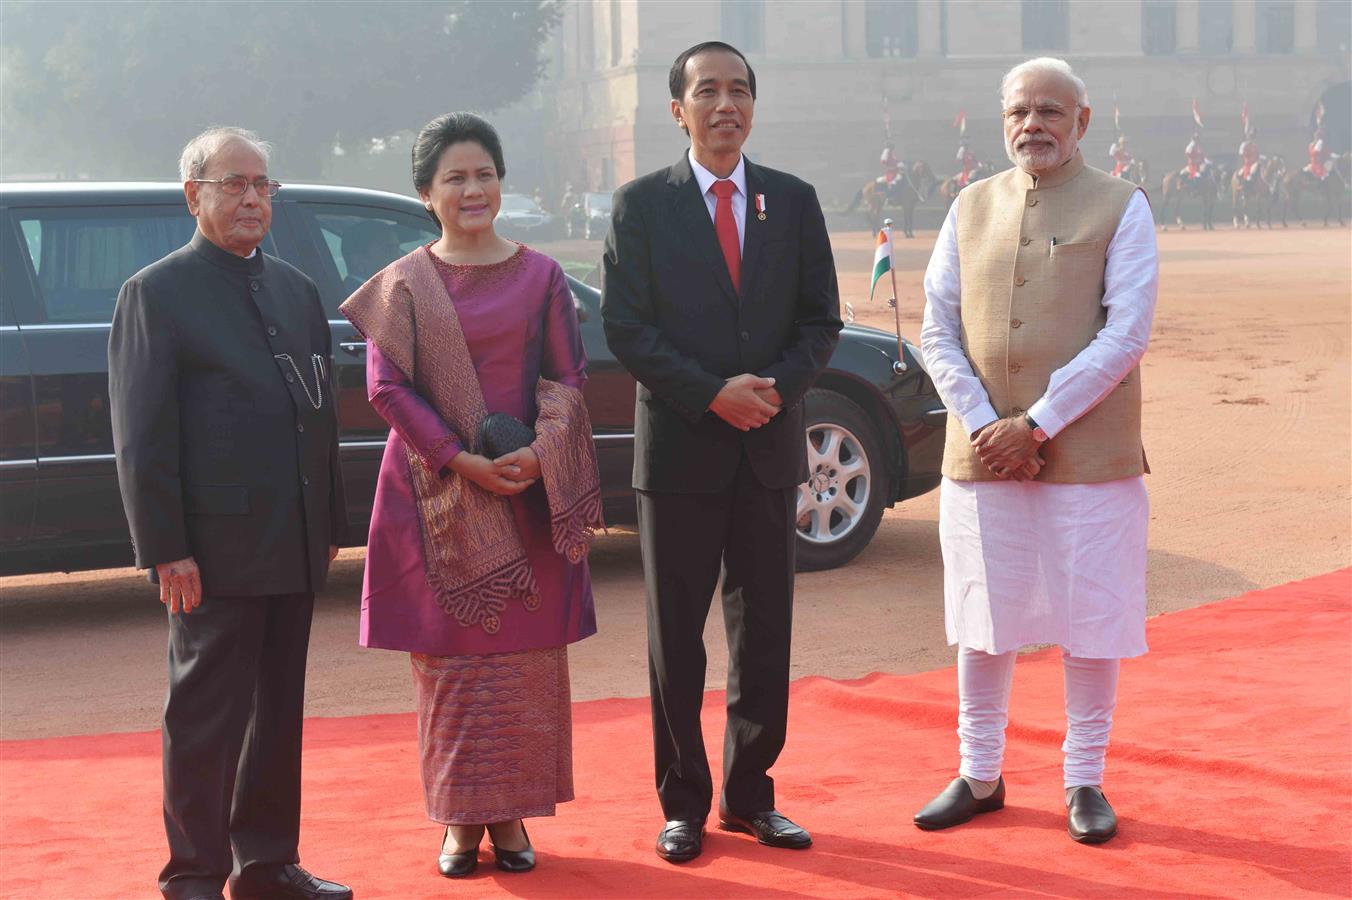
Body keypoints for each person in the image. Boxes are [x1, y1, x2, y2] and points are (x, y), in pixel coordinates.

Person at [338, 112, 602, 879]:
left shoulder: (542, 275)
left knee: (522, 663)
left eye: (483, 173)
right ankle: (458, 821)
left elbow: (568, 379)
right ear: (426, 193)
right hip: (433, 496)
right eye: (454, 177)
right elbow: (386, 389)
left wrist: (536, 453)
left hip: (525, 489)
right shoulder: (405, 286)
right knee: (450, 666)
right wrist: (460, 460)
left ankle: (512, 815)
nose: (472, 188)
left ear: (501, 182)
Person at [601, 40, 842, 864]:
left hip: (768, 450)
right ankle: (683, 803)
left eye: (739, 90)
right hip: (680, 456)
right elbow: (627, 329)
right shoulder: (641, 206)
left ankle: (750, 796)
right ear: (679, 109)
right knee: (678, 637)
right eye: (707, 91)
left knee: (764, 631)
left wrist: (767, 389)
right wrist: (710, 393)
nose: (725, 104)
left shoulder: (793, 201)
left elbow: (821, 323)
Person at [915, 57, 1158, 846]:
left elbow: (1126, 334)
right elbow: (936, 328)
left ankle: (1084, 777)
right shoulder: (968, 205)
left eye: (1051, 111)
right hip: (982, 455)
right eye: (1020, 111)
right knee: (985, 618)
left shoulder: (1122, 206)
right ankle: (979, 773)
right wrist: (989, 423)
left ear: (1083, 121)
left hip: (1087, 457)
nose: (1034, 125)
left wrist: (1038, 424)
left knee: (1091, 619)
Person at [108, 127, 351, 900]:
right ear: (194, 196)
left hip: (294, 539)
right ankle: (193, 876)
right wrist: (165, 547)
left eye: (262, 184)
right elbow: (142, 438)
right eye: (232, 183)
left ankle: (268, 864)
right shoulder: (157, 293)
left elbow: (320, 420)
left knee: (278, 713)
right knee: (206, 721)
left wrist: (330, 529)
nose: (252, 197)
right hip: (210, 552)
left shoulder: (296, 289)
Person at [340, 220, 402, 293]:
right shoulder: (356, 299)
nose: (399, 257)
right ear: (358, 260)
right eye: (388, 249)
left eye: (397, 248)